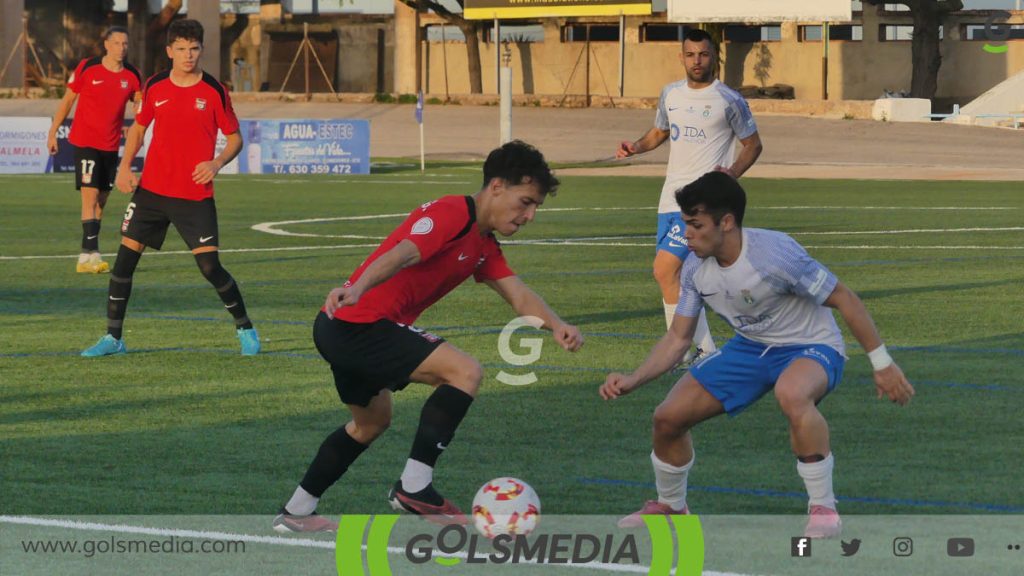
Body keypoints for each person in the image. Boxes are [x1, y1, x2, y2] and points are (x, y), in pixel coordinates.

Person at [273, 141, 584, 533]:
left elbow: (518, 294)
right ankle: (414, 487)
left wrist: (557, 325)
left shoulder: (484, 245)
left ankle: (296, 511)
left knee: (370, 423)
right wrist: (357, 287)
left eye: (536, 206)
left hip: (345, 327)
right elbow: (405, 251)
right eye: (525, 202)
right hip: (358, 322)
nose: (530, 215)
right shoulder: (453, 212)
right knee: (465, 372)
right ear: (497, 187)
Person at [600, 172, 914, 539]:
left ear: (727, 222)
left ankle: (824, 509)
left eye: (696, 224)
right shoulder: (694, 268)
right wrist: (634, 379)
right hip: (749, 348)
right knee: (667, 418)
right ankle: (671, 507)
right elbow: (677, 338)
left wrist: (882, 364)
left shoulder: (775, 255)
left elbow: (844, 297)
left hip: (810, 345)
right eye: (685, 223)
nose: (687, 233)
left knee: (792, 394)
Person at [81, 19, 259, 358]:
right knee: (123, 265)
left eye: (193, 49)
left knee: (210, 268)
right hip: (151, 192)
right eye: (180, 49)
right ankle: (113, 338)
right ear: (169, 51)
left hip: (194, 195)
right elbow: (137, 129)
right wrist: (124, 167)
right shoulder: (156, 85)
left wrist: (216, 163)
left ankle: (245, 327)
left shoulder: (214, 91)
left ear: (201, 50)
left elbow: (235, 138)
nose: (187, 55)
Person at [616, 28, 762, 364]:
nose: (697, 61)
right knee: (676, 277)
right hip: (669, 199)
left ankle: (682, 350)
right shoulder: (671, 94)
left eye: (704, 54)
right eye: (691, 54)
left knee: (664, 270)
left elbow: (753, 144)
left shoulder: (729, 99)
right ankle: (702, 350)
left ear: (714, 57)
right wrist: (635, 147)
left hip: (702, 204)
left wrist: (731, 174)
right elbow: (659, 132)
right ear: (682, 57)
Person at [47, 26, 142, 274]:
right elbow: (68, 100)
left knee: (101, 203)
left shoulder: (132, 75)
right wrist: (53, 131)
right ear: (106, 45)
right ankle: (93, 253)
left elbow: (141, 108)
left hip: (110, 147)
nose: (122, 48)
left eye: (125, 44)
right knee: (89, 198)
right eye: (117, 43)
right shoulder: (87, 67)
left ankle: (84, 257)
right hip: (85, 142)